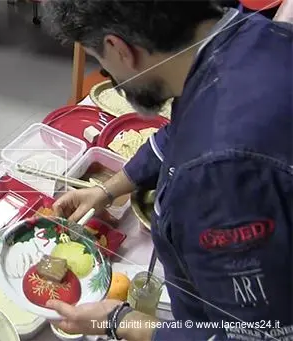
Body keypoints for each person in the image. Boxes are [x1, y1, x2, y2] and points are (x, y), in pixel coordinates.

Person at [45, 1, 292, 340]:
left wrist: (119, 320)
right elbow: (181, 129)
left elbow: (255, 335)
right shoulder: (248, 32)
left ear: (119, 49)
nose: (114, 81)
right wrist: (108, 189)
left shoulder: (220, 175)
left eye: (103, 65)